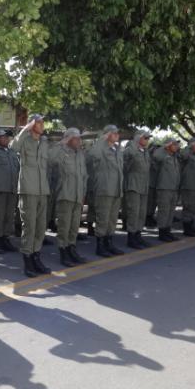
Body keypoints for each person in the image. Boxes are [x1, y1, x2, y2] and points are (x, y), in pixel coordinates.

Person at [11, 114, 52, 277]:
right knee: (30, 227)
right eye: (39, 123)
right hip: (28, 190)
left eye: (42, 122)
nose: (42, 125)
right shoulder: (24, 141)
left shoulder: (44, 142)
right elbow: (13, 148)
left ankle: (36, 257)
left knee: (41, 227)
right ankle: (28, 261)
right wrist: (24, 131)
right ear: (32, 125)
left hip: (43, 190)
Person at [48, 128, 88, 266]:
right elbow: (50, 158)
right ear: (69, 139)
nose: (79, 141)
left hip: (77, 196)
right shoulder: (61, 152)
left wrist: (83, 194)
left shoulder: (80, 154)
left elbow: (84, 176)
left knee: (74, 226)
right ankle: (63, 252)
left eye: (79, 138)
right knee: (64, 226)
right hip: (65, 195)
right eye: (76, 138)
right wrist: (62, 143)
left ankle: (71, 249)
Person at [88, 125, 124, 257]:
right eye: (114, 133)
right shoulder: (100, 148)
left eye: (117, 133)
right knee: (103, 219)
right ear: (107, 134)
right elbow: (92, 154)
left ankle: (109, 244)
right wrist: (101, 139)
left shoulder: (118, 149)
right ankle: (100, 246)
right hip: (104, 189)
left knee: (112, 219)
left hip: (116, 190)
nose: (117, 135)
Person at [122, 130, 152, 249]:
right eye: (145, 138)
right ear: (138, 138)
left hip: (143, 186)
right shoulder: (131, 149)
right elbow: (124, 163)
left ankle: (138, 235)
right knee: (133, 212)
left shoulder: (145, 151)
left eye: (148, 138)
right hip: (133, 185)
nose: (147, 140)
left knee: (141, 212)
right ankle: (131, 238)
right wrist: (134, 144)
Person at [153, 138, 181, 242]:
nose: (176, 146)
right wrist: (164, 146)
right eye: (174, 144)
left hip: (173, 188)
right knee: (164, 212)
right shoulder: (163, 155)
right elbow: (155, 155)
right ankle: (162, 233)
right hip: (164, 188)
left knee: (170, 212)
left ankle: (167, 231)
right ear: (168, 146)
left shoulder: (174, 157)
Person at [179, 137, 195, 237]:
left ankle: (192, 227)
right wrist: (189, 146)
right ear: (192, 145)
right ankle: (187, 229)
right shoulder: (187, 154)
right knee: (188, 207)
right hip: (189, 187)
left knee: (194, 208)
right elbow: (182, 155)